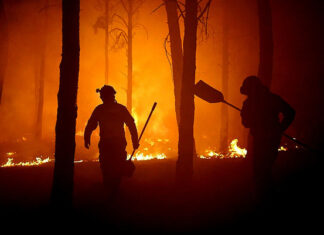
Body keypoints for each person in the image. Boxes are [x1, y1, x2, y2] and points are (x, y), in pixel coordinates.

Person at [240, 76, 295, 202]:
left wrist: (280, 128)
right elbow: (290, 112)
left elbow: (246, 123)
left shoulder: (252, 102)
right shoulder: (271, 99)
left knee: (261, 170)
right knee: (263, 170)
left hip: (266, 140)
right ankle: (264, 197)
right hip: (268, 139)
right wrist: (280, 128)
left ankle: (264, 199)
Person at [84, 85, 139, 199]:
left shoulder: (100, 109)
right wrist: (134, 140)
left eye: (103, 96)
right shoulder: (118, 109)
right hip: (114, 143)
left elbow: (91, 125)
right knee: (112, 165)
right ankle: (112, 189)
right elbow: (131, 124)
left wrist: (87, 137)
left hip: (109, 143)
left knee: (108, 165)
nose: (102, 98)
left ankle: (111, 189)